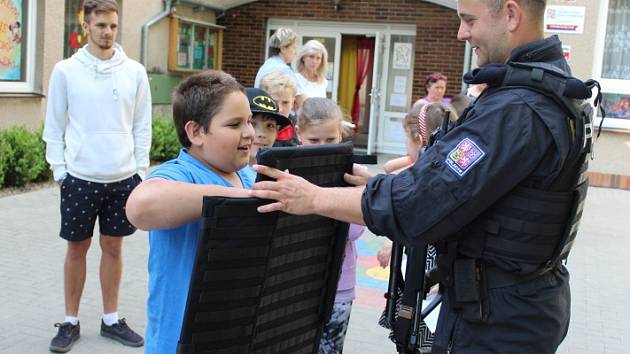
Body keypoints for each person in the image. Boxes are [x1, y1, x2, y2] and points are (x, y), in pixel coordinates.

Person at [249, 0, 592, 352]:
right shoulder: (550, 91)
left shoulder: (517, 108)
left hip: (496, 319)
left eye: (469, 20)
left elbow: (420, 203)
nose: (462, 33)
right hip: (516, 306)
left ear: (510, 14)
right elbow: (458, 185)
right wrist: (384, 186)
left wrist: (313, 198)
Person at [42, 0, 150, 351]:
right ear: (85, 25)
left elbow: (141, 126)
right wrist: (61, 172)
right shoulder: (65, 71)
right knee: (77, 249)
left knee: (114, 248)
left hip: (122, 179)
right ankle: (70, 322)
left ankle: (110, 319)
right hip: (80, 178)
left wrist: (139, 171)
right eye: (100, 25)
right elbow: (54, 126)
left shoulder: (134, 72)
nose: (107, 32)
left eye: (113, 26)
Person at [124, 70, 256, 354]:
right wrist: (242, 199)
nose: (249, 133)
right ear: (196, 132)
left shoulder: (246, 177)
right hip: (179, 343)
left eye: (249, 121)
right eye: (234, 124)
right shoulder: (182, 174)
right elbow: (140, 206)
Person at [295, 98, 366, 354]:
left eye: (330, 140)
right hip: (295, 285)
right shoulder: (289, 171)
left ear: (341, 135)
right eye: (314, 140)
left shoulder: (353, 174)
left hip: (339, 287)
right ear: (299, 134)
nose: (321, 148)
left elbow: (357, 229)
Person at [382, 102, 456, 174]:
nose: (406, 142)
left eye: (407, 137)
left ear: (419, 142)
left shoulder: (415, 180)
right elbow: (388, 166)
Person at [245, 87, 292, 164]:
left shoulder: (283, 171)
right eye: (252, 124)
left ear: (277, 132)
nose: (262, 134)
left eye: (270, 125)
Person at [254, 27, 304, 100]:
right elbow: (301, 100)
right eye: (294, 48)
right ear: (283, 48)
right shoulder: (283, 69)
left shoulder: (267, 64)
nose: (296, 52)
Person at [260, 71, 299, 146]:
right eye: (274, 102)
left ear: (293, 103)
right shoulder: (252, 126)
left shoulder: (298, 129)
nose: (280, 109)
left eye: (285, 103)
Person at [294, 39, 329, 104]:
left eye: (318, 58)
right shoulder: (295, 79)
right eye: (311, 56)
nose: (314, 61)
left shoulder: (323, 82)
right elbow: (306, 106)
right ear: (303, 57)